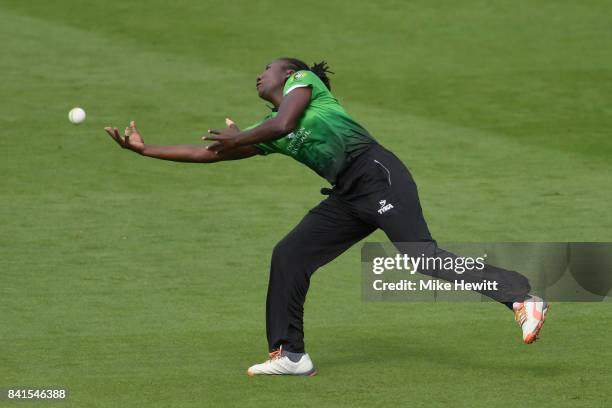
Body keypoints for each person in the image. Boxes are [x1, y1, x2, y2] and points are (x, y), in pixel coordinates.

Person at [104, 58, 549, 377]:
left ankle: (521, 297)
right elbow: (208, 152)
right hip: (347, 196)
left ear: (290, 73)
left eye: (268, 67)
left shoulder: (305, 86)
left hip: (378, 176)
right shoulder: (270, 125)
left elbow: (281, 126)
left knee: (422, 257)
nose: (259, 73)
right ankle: (290, 355)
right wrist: (147, 150)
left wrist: (244, 136)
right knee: (289, 256)